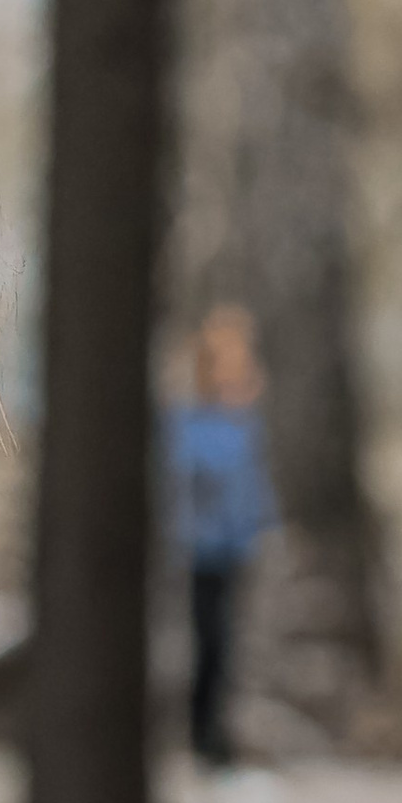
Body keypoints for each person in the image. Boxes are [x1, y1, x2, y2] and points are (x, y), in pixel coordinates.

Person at [168, 305, 277, 769]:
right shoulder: (194, 423)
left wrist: (264, 528)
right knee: (209, 642)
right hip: (202, 549)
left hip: (236, 548)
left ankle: (221, 733)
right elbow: (196, 479)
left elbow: (252, 487)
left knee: (231, 645)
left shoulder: (245, 424)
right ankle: (204, 737)